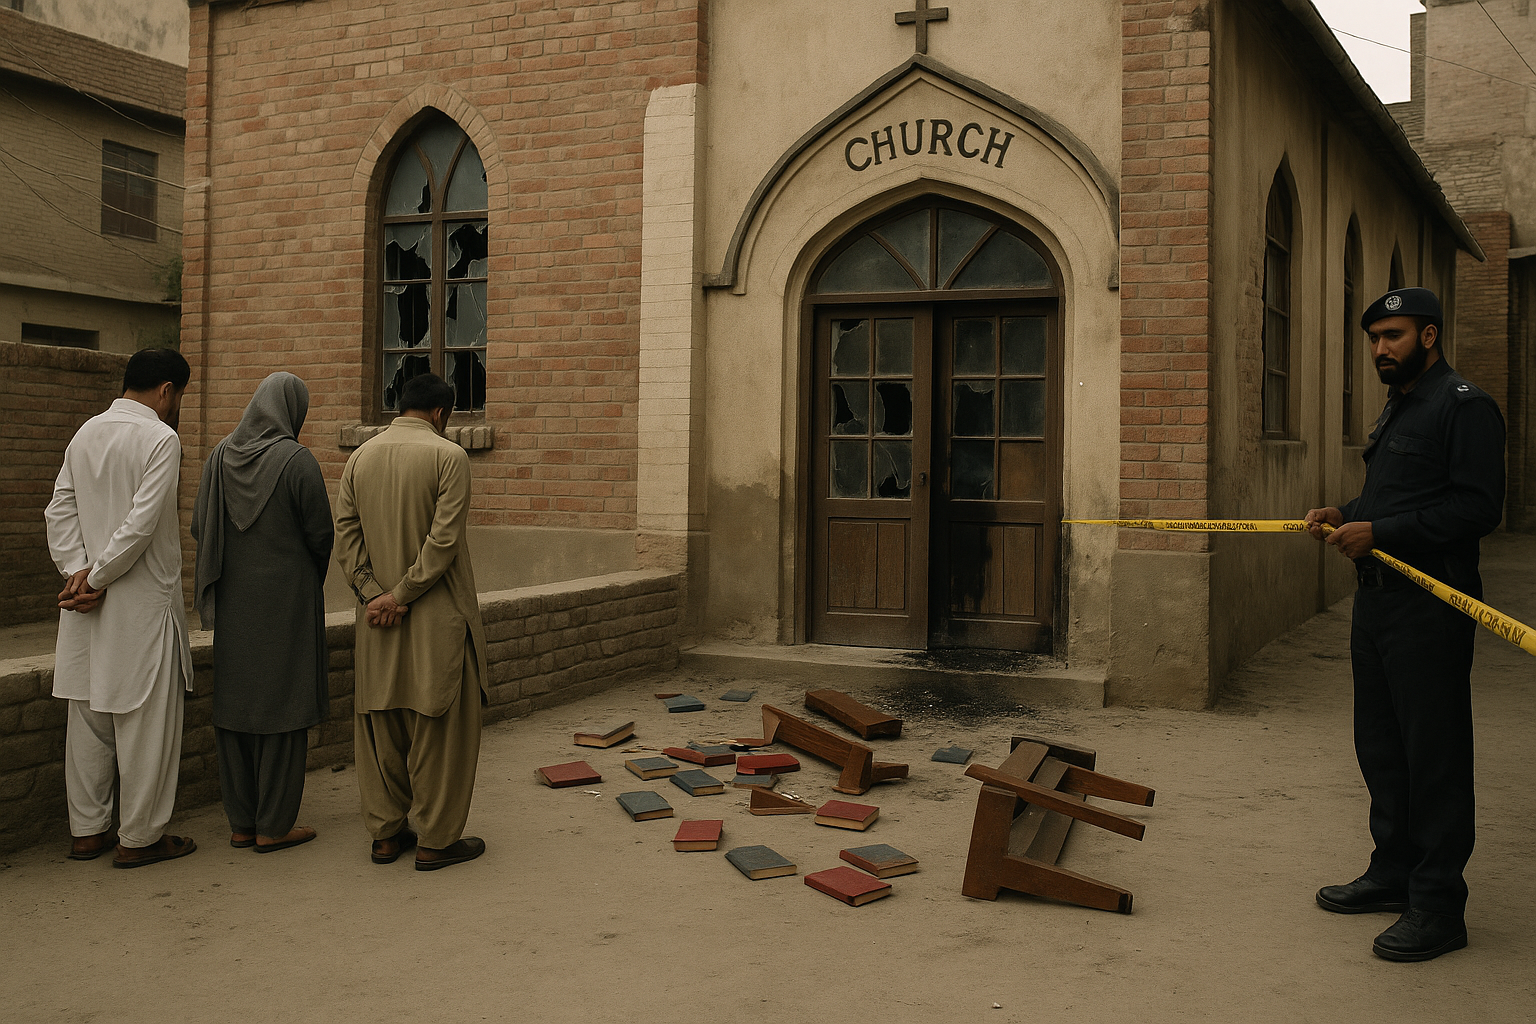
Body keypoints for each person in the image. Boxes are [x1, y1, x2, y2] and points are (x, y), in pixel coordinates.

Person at [1305, 287, 1505, 962]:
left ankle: (1439, 905)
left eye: (1392, 335)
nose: (1380, 348)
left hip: (1431, 608)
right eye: (1373, 338)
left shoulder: (1464, 407)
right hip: (1378, 605)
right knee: (1382, 746)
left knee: (1433, 754)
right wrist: (1346, 512)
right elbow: (1391, 496)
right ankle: (1393, 870)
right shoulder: (1400, 405)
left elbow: (1477, 508)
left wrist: (1381, 532)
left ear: (1429, 336)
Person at [45, 347, 197, 868]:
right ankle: (139, 839)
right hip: (139, 605)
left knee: (88, 720)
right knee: (146, 724)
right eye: (180, 396)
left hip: (84, 606)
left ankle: (87, 832)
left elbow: (59, 509)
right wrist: (96, 577)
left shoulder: (85, 433)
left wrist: (77, 573)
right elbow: (142, 523)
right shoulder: (161, 438)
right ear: (167, 391)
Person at [333, 372, 488, 871]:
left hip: (376, 622)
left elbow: (346, 536)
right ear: (442, 414)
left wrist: (374, 596)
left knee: (380, 727)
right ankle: (435, 841)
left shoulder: (359, 458)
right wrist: (400, 595)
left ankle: (385, 836)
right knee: (441, 729)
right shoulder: (449, 456)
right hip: (437, 618)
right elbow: (443, 542)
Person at [192, 372, 333, 853]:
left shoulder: (218, 458)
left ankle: (242, 822)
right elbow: (321, 535)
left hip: (235, 605)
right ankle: (274, 825)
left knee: (236, 705)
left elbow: (200, 526)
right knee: (285, 705)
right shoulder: (297, 461)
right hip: (287, 603)